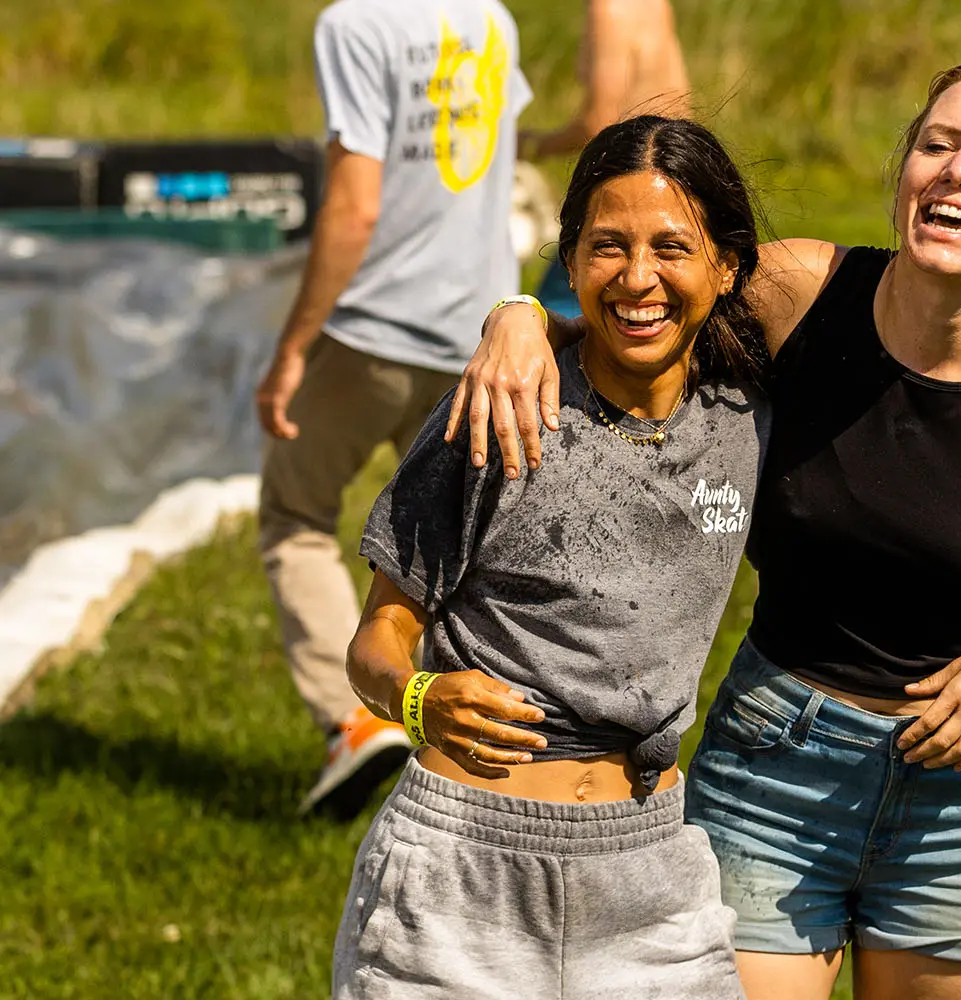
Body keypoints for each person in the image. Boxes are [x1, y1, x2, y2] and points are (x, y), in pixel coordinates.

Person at [447, 51, 961, 1000]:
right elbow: (639, 294)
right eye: (937, 144)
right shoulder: (797, 298)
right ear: (904, 171)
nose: (957, 172)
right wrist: (522, 313)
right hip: (776, 770)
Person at [332, 115, 770, 999]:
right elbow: (377, 635)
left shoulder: (751, 414)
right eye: (607, 247)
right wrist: (417, 697)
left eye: (672, 247)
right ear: (569, 262)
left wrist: (521, 310)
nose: (638, 278)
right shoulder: (495, 410)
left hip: (651, 881)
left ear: (725, 267)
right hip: (459, 873)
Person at [253, 0, 531, 817]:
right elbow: (492, 152)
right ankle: (477, 751)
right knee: (462, 555)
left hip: (372, 330)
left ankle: (354, 724)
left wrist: (294, 346)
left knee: (295, 515)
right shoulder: (491, 17)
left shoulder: (355, 24)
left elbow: (355, 205)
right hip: (475, 341)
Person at [522, 0, 693, 317]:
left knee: (553, 314)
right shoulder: (654, 5)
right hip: (669, 173)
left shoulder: (609, 8)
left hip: (627, 186)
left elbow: (600, 121)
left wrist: (532, 145)